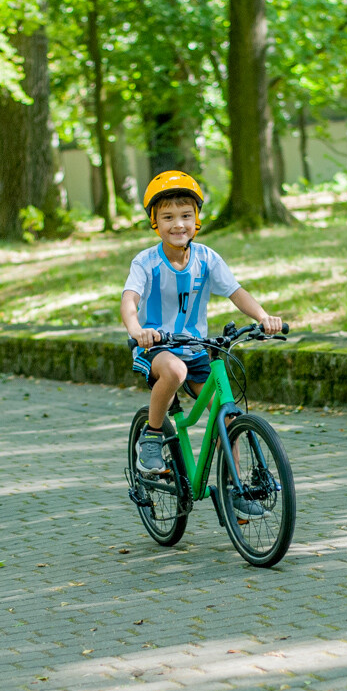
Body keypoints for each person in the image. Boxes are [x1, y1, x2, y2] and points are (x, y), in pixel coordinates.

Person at [121, 170, 283, 474]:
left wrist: (263, 317)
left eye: (185, 215)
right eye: (167, 217)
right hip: (157, 347)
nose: (178, 224)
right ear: (155, 223)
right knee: (174, 370)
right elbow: (129, 299)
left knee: (228, 417)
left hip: (196, 349)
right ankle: (153, 435)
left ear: (197, 219)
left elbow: (236, 292)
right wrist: (137, 331)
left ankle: (234, 490)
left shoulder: (207, 258)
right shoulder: (146, 262)